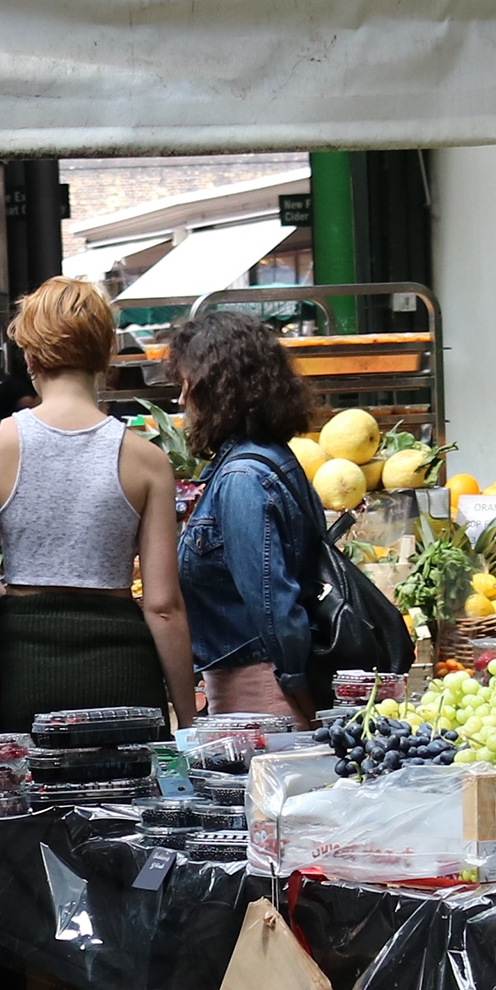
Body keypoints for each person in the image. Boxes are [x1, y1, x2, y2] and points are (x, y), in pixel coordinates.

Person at [0, 280, 193, 731]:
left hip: (17, 676)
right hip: (125, 677)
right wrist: (187, 717)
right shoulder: (148, 461)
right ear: (105, 357)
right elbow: (164, 606)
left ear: (29, 356)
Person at [169, 309, 329, 724]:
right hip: (266, 688)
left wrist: (297, 691)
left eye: (187, 384)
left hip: (261, 694)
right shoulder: (271, 459)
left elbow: (273, 604)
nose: (182, 399)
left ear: (217, 389)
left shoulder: (241, 478)